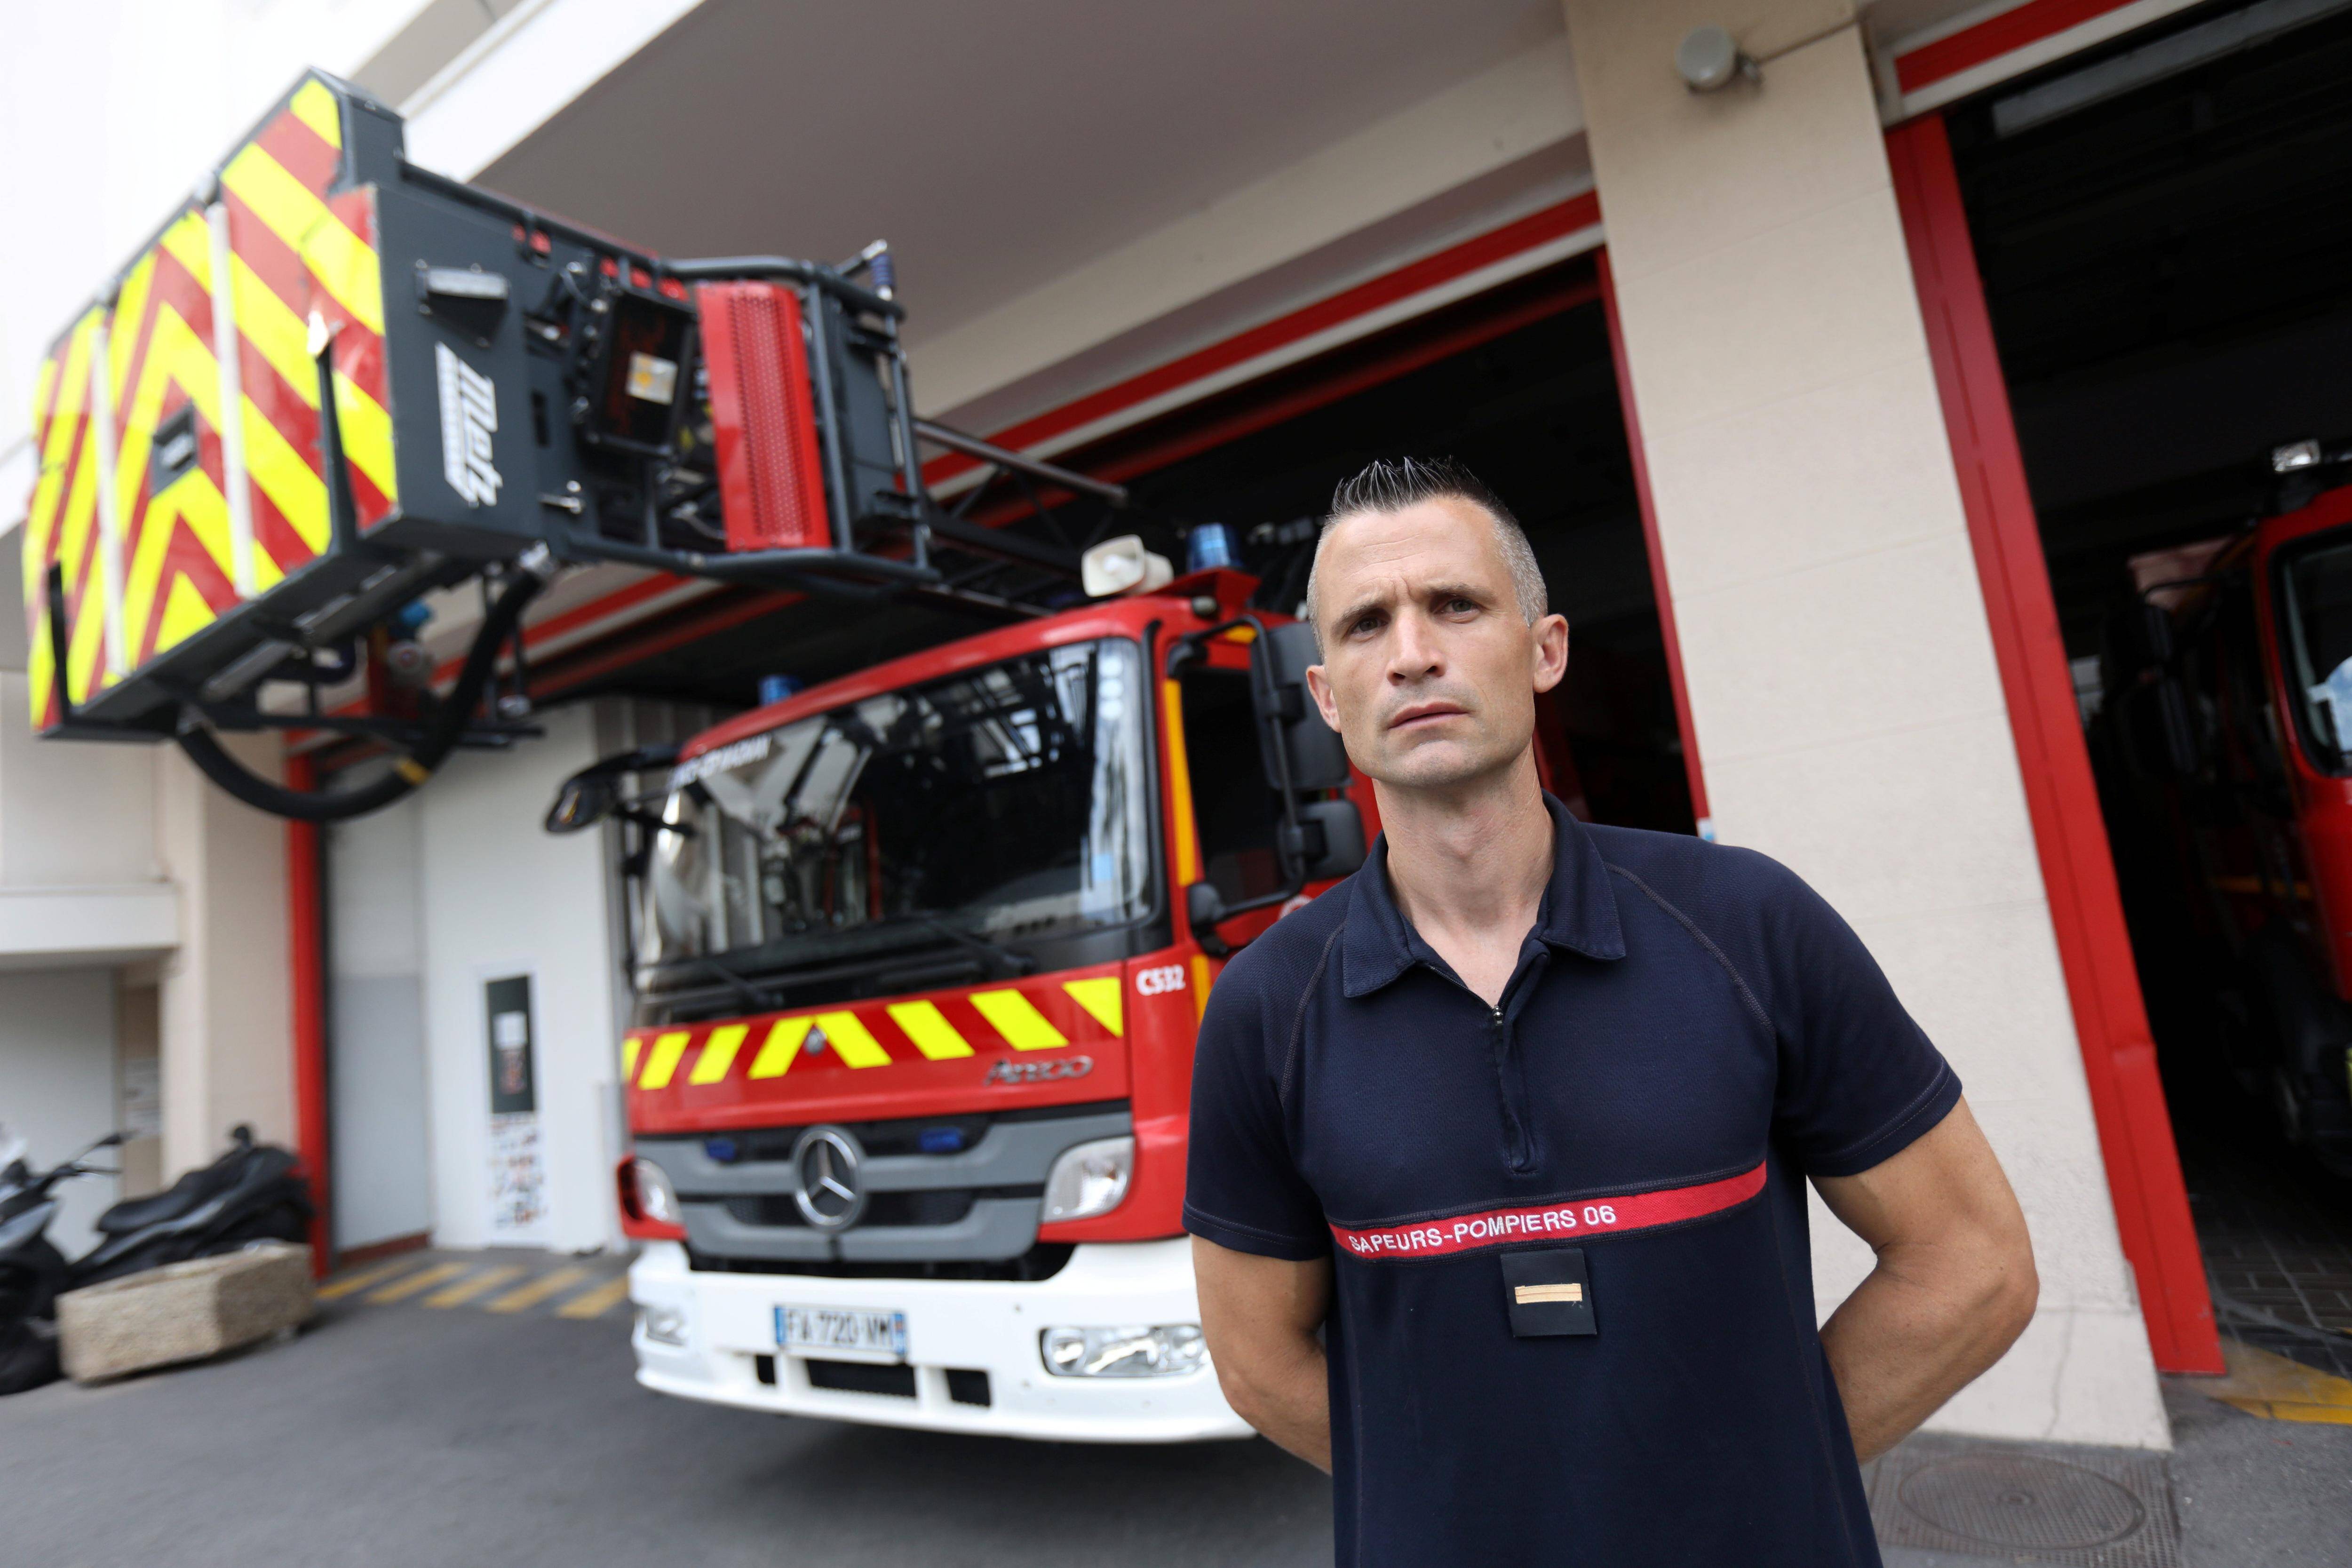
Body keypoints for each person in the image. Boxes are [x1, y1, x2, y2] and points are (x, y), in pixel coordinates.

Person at [1184, 457, 2037, 1567]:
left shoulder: (1749, 923)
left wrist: (1752, 1482)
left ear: (1545, 650)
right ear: (1326, 694)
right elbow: (1256, 1362)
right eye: (1363, 624)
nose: (1411, 652)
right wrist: (1483, 1513)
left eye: (1455, 603)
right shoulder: (1263, 1009)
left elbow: (1972, 1262)